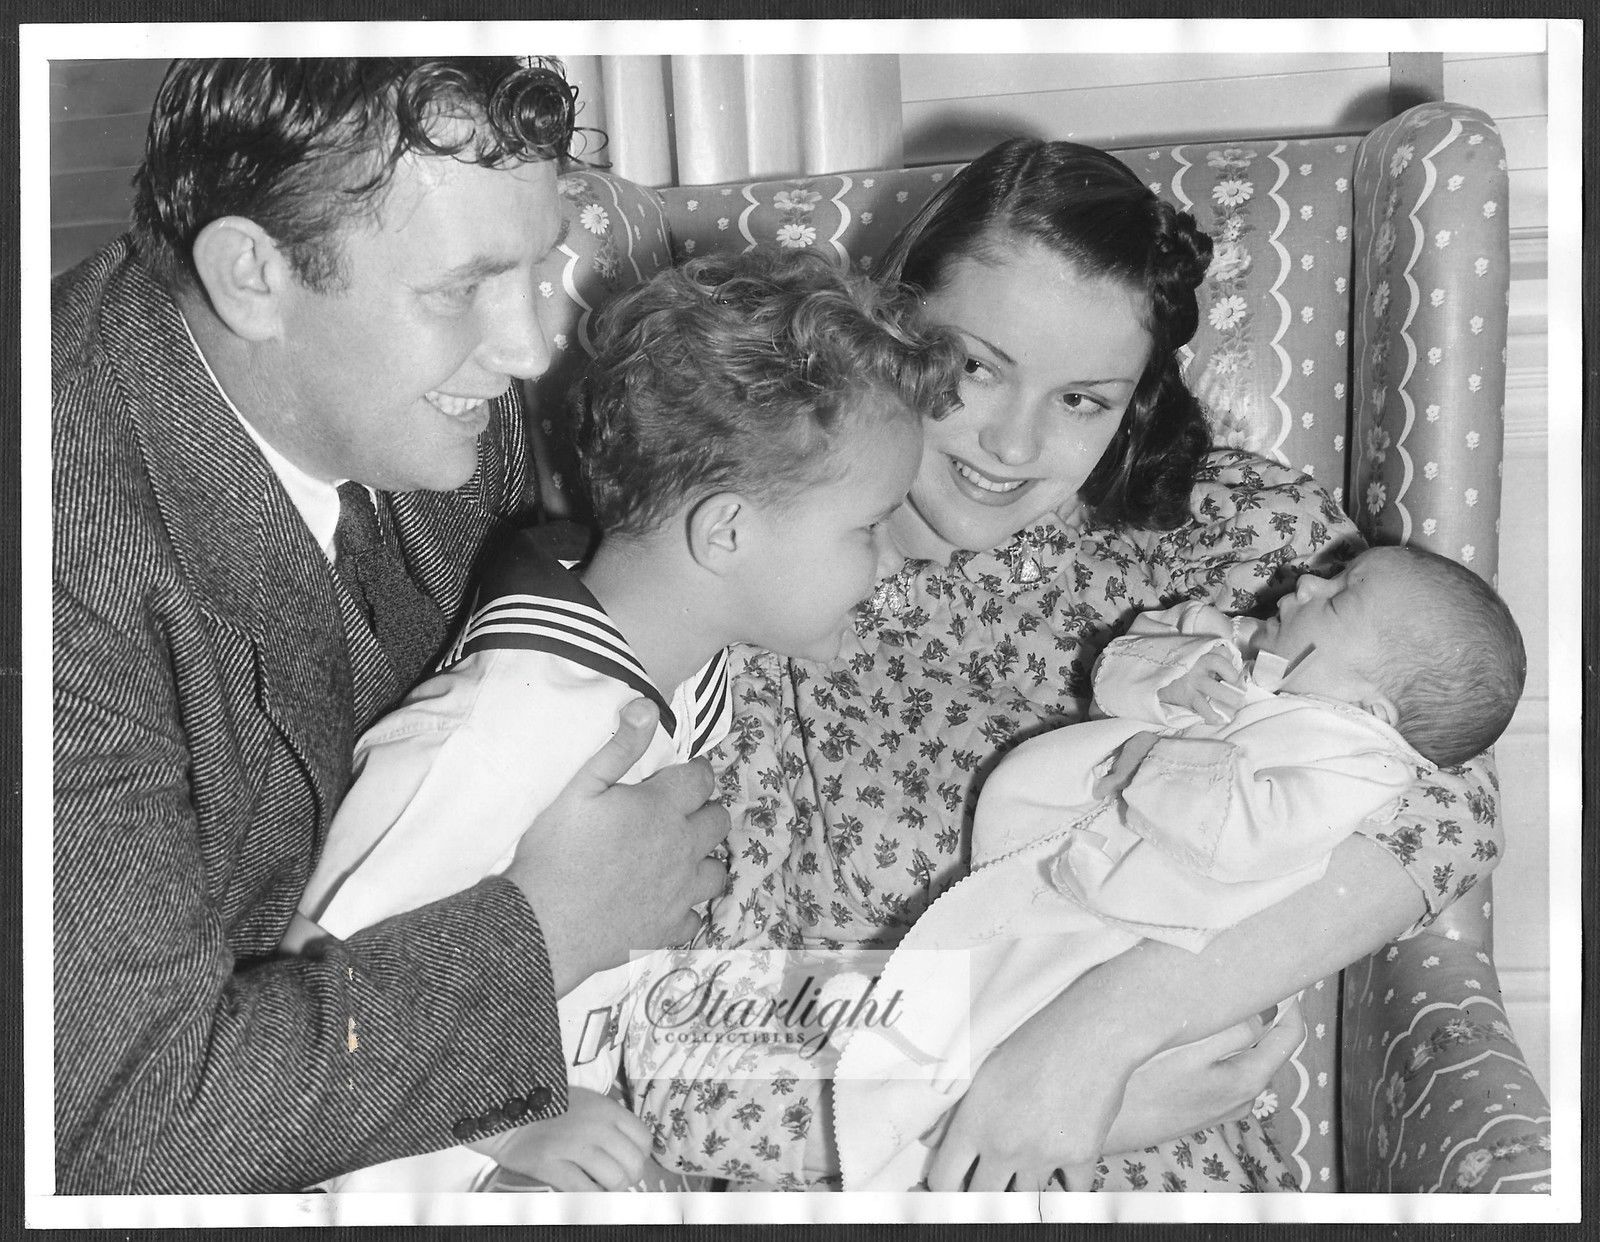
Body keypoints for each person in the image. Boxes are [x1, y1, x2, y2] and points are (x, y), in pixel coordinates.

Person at [628, 138, 1509, 1193]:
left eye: (1082, 398)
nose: (1011, 443)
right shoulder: (755, 576)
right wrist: (1058, 1099)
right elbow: (691, 1056)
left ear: (1133, 397)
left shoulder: (1242, 540)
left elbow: (1448, 798)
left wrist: (1102, 1032)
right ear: (891, 321)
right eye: (973, 368)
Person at [51, 57, 730, 1194]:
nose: (528, 351)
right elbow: (131, 1122)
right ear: (252, 276)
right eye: (461, 287)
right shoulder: (59, 560)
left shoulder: (419, 396)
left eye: (534, 265)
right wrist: (547, 929)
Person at [284, 247, 960, 1192]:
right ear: (725, 532)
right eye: (869, 526)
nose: (893, 558)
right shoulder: (515, 725)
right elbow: (323, 986)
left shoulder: (690, 675)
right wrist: (509, 1120)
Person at [834, 544, 1526, 1190]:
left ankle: (906, 1137)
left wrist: (1158, 765)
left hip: (1158, 930)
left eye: (1339, 599)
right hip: (1080, 888)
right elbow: (1134, 657)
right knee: (967, 1001)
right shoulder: (1251, 645)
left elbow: (1264, 832)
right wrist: (1175, 674)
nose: (1308, 580)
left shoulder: (1351, 759)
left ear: (1374, 709)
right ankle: (904, 1127)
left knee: (990, 1013)